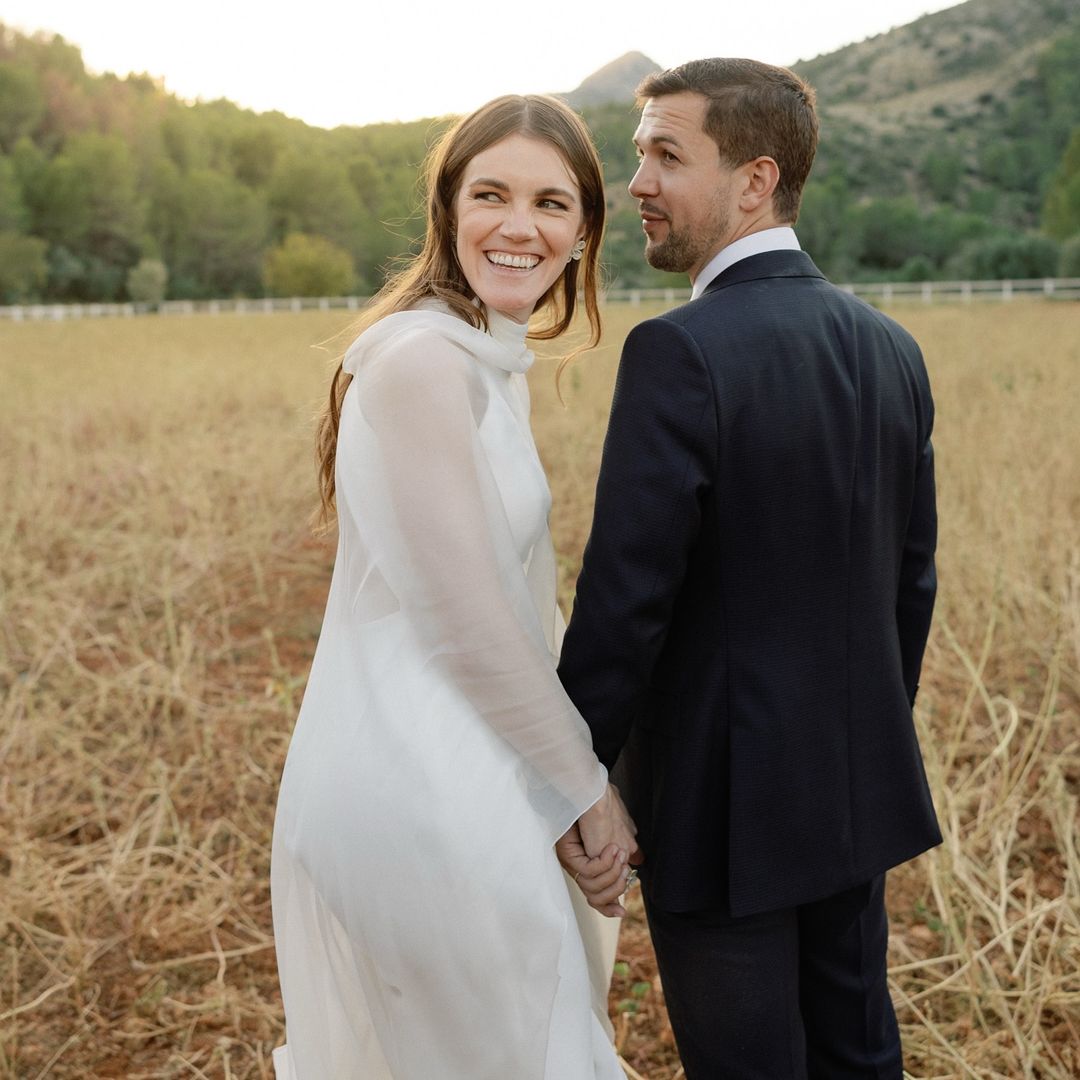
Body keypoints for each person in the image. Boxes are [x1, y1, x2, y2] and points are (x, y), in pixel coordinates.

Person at [555, 58, 941, 1079]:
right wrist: (852, 740)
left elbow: (626, 604)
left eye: (665, 156)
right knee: (859, 1055)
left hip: (719, 816)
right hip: (851, 795)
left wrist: (565, 779)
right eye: (640, 155)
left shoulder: (679, 351)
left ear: (755, 179)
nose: (636, 181)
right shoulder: (892, 348)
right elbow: (912, 586)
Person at [270, 94, 638, 1080]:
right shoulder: (425, 362)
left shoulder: (479, 358)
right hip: (425, 785)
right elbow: (468, 623)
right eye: (492, 194)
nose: (522, 227)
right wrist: (584, 791)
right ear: (446, 208)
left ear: (583, 230)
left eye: (552, 203)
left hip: (468, 762)